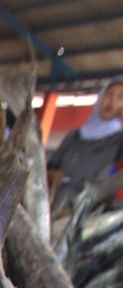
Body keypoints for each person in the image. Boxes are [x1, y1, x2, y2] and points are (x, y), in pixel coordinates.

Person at [48, 79, 123, 207]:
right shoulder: (75, 135)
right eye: (109, 94)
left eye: (120, 97)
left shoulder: (119, 140)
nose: (112, 101)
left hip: (93, 212)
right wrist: (53, 175)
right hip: (58, 205)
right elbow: (50, 167)